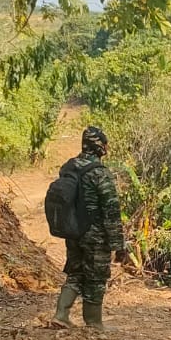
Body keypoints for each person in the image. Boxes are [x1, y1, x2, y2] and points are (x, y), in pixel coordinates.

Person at [52, 125, 130, 329]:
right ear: (100, 147)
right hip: (95, 235)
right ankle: (94, 323)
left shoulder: (69, 167)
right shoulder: (99, 173)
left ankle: (61, 314)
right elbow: (111, 211)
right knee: (96, 277)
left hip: (74, 231)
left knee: (76, 272)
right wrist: (118, 244)